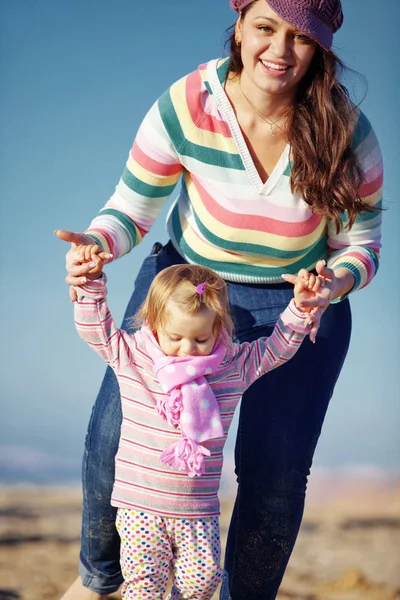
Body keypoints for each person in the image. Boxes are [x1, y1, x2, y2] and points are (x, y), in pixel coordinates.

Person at [56, 0, 383, 598]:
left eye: (299, 39)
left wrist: (330, 287)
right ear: (239, 26)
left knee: (276, 473)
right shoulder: (188, 102)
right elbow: (132, 206)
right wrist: (98, 244)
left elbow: (362, 245)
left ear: (322, 50)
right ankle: (99, 582)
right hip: (189, 285)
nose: (279, 52)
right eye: (265, 28)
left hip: (297, 302)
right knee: (111, 438)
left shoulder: (347, 133)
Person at [71, 256, 318, 599]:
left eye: (201, 340)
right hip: (140, 506)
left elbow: (276, 350)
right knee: (144, 586)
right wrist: (90, 285)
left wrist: (299, 310)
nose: (187, 349)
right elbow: (96, 329)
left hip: (197, 510)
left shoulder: (232, 366)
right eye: (175, 337)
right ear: (155, 323)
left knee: (202, 582)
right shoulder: (135, 357)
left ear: (220, 329)